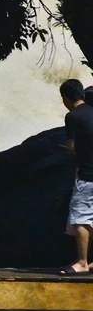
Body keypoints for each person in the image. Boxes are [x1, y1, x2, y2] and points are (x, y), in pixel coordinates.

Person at [63, 79, 93, 274]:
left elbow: (71, 146)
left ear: (65, 98)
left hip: (86, 175)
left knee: (81, 218)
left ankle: (82, 262)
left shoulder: (72, 116)